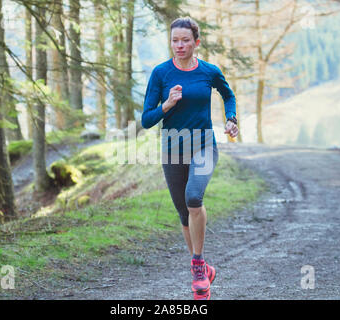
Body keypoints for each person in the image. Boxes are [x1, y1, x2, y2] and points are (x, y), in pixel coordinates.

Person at [141, 17, 239, 300]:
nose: (179, 45)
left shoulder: (209, 71)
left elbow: (227, 94)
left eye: (185, 40)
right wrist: (167, 105)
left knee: (194, 197)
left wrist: (231, 119)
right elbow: (147, 119)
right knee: (184, 213)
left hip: (203, 145)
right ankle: (203, 269)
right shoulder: (161, 74)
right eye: (175, 40)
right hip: (172, 148)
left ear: (196, 42)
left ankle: (197, 267)